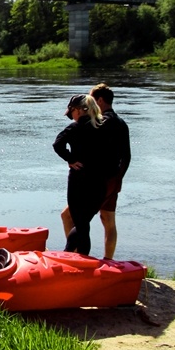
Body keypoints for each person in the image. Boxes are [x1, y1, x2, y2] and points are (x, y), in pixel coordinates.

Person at [60, 84, 131, 259]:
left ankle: (76, 256)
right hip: (114, 178)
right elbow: (127, 156)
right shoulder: (122, 123)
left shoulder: (100, 122)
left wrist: (72, 159)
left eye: (91, 100)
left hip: (97, 179)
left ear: (99, 100)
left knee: (72, 218)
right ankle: (109, 261)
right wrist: (119, 180)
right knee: (109, 222)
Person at [53, 94, 108, 255]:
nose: (71, 115)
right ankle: (77, 257)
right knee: (84, 224)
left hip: (79, 180)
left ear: (79, 110)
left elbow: (57, 144)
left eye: (72, 111)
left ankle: (69, 254)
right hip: (99, 181)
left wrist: (70, 159)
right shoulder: (103, 126)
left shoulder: (75, 127)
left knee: (81, 224)